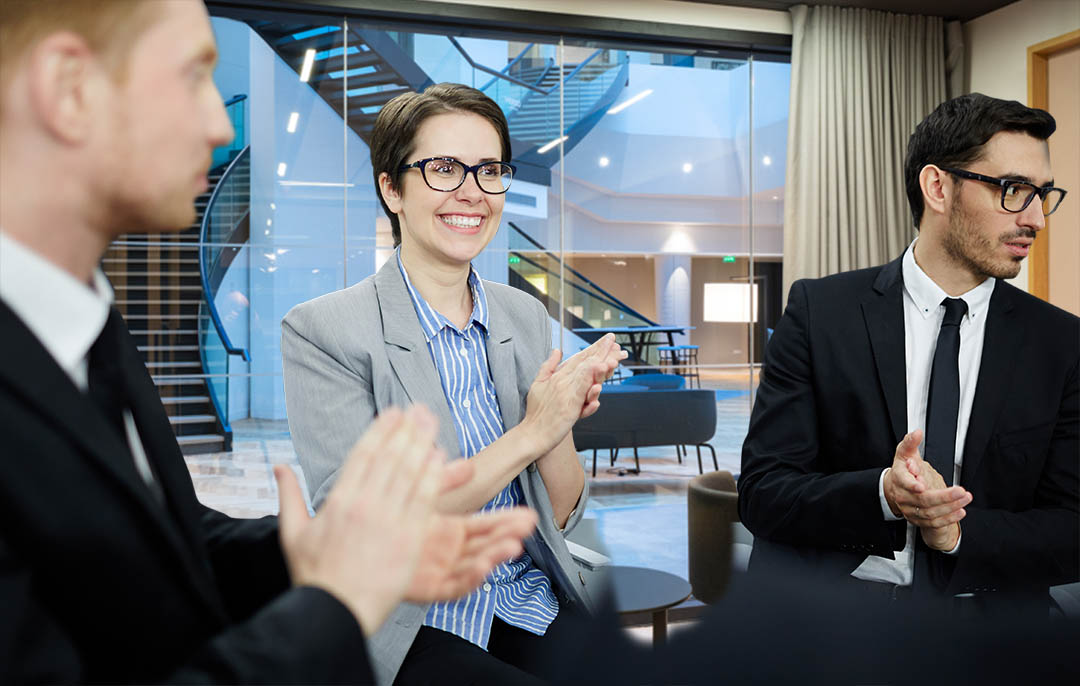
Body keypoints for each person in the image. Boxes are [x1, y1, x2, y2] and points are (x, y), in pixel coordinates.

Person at [0, 1, 538, 682]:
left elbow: (170, 541)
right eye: (194, 75)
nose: (220, 123)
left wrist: (326, 550)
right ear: (69, 90)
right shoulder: (326, 328)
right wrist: (333, 604)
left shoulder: (90, 327)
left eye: (489, 170)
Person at [281, 82, 626, 684]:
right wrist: (532, 430)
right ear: (392, 188)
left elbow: (563, 513)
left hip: (531, 599)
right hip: (417, 619)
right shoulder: (323, 331)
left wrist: (559, 424)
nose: (471, 191)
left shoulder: (522, 315)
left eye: (488, 170)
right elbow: (364, 527)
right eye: (444, 168)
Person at [738, 92, 1078, 612]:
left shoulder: (1062, 343)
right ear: (938, 187)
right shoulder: (819, 312)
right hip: (831, 618)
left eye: (1043, 194)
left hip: (991, 627)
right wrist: (881, 494)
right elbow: (763, 494)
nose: (1036, 219)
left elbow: (1072, 526)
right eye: (1014, 190)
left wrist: (957, 533)